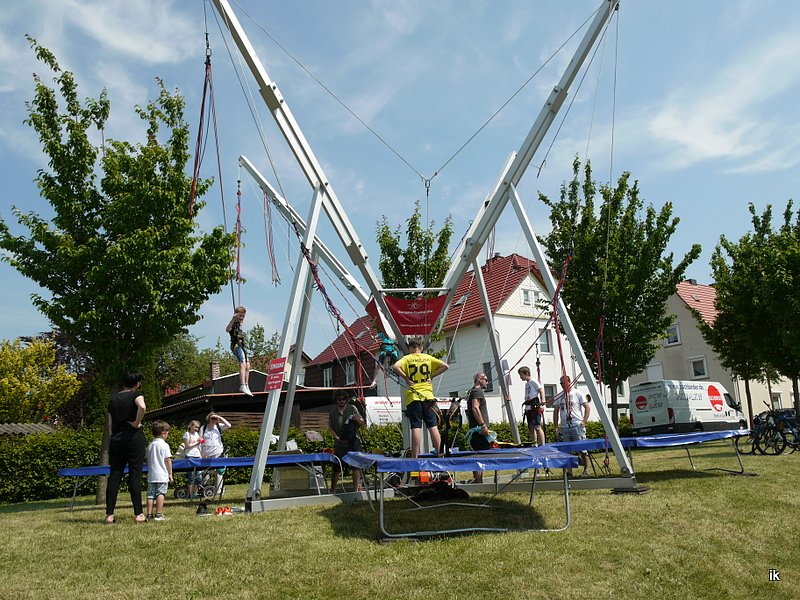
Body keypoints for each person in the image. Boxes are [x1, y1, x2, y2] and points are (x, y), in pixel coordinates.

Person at [392, 336, 449, 458]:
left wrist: (406, 377)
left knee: (416, 427)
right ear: (421, 347)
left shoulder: (407, 358)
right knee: (433, 426)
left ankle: (415, 456)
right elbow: (445, 366)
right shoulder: (427, 357)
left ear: (410, 348)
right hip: (428, 395)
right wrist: (432, 376)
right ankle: (440, 453)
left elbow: (395, 367)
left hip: (413, 396)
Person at [105, 371, 147, 524]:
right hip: (133, 438)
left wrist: (113, 437)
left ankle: (109, 515)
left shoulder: (113, 399)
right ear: (137, 383)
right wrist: (136, 422)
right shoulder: (136, 394)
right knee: (135, 475)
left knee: (114, 475)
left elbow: (109, 423)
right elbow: (142, 407)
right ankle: (139, 514)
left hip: (117, 439)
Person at [552, 375, 591, 477]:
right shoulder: (559, 396)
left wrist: (584, 421)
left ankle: (586, 470)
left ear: (569, 382)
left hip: (576, 425)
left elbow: (587, 407)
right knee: (566, 450)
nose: (562, 385)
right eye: (561, 383)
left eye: (564, 383)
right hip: (565, 426)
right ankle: (569, 472)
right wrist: (556, 426)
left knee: (582, 448)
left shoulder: (577, 393)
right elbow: (556, 411)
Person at [328, 391, 365, 492]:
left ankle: (355, 490)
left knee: (356, 466)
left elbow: (362, 422)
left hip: (353, 441)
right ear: (336, 400)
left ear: (346, 400)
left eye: (344, 399)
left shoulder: (352, 408)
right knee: (336, 468)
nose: (342, 401)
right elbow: (330, 427)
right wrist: (336, 438)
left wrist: (356, 418)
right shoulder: (332, 412)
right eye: (339, 399)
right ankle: (332, 490)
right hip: (340, 442)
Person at [466, 372, 491, 483]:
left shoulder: (472, 391)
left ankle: (478, 481)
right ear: (479, 379)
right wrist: (483, 425)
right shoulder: (477, 392)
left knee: (477, 456)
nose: (487, 382)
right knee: (481, 456)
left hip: (475, 429)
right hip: (479, 430)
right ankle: (479, 482)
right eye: (486, 379)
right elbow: (475, 408)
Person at [146, 420, 174, 521]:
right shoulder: (164, 445)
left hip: (151, 474)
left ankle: (149, 515)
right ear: (163, 433)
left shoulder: (150, 445)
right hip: (162, 474)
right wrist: (170, 474)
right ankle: (158, 514)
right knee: (160, 493)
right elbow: (168, 460)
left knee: (150, 494)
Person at [201, 412, 231, 495]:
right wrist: (201, 453)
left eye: (215, 418)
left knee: (219, 471)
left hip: (218, 452)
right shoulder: (203, 428)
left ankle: (219, 491)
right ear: (209, 419)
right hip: (206, 453)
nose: (214, 420)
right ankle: (206, 490)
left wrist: (219, 417)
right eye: (212, 418)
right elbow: (200, 439)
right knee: (206, 472)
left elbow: (229, 425)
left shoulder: (218, 426)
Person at [226, 306, 253, 396]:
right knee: (243, 363)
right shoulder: (233, 323)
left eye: (243, 316)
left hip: (242, 346)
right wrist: (233, 319)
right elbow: (227, 329)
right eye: (240, 316)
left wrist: (240, 323)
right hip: (236, 346)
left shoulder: (239, 325)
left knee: (248, 366)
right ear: (236, 315)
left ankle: (246, 385)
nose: (242, 318)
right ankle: (242, 385)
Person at [518, 366, 546, 447]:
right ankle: (534, 443)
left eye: (521, 375)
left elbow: (541, 390)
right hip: (528, 407)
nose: (520, 377)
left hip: (534, 406)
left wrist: (543, 400)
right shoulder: (527, 384)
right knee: (531, 427)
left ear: (526, 373)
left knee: (537, 426)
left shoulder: (533, 381)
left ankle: (543, 444)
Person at [182, 420, 203, 498]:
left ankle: (195, 493)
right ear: (190, 426)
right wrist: (197, 443)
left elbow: (199, 445)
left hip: (197, 456)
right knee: (191, 476)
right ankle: (191, 494)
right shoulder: (186, 434)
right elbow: (187, 446)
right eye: (195, 427)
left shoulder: (197, 434)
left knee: (198, 477)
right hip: (189, 456)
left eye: (198, 428)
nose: (196, 429)